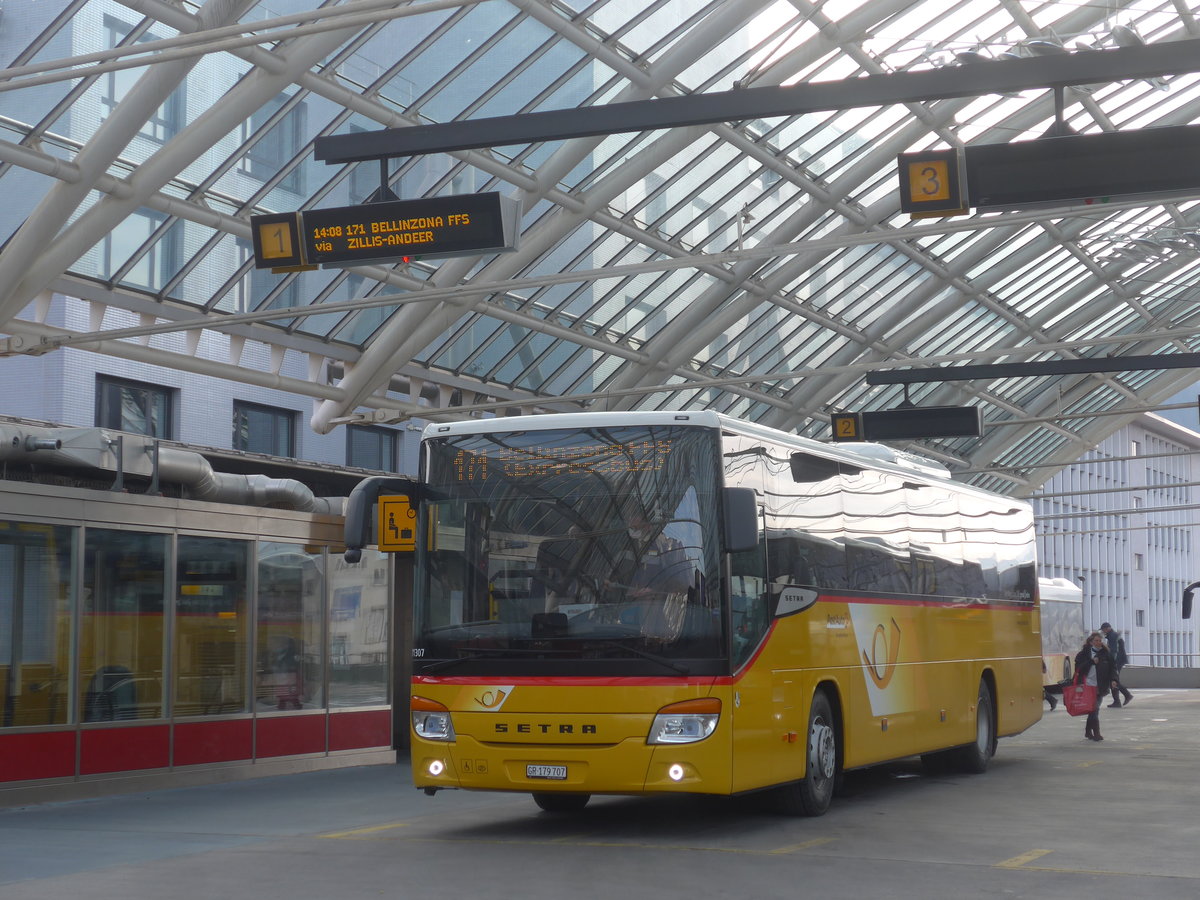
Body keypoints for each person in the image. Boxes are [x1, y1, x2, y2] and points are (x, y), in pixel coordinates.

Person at [1074, 631, 1116, 741]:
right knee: (1094, 709)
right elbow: (1078, 669)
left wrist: (1113, 680)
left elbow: (1112, 668)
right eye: (1096, 641)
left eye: (1100, 641)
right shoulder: (1083, 654)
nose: (1098, 643)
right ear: (1091, 642)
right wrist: (1091, 662)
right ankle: (1096, 733)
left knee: (1094, 709)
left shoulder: (1106, 654)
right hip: (1087, 685)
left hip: (1100, 686)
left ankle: (1089, 731)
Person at [1100, 622, 1133, 707]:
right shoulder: (1113, 635)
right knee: (1113, 680)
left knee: (1113, 680)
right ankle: (1120, 699)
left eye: (1103, 629)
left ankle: (1124, 696)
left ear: (1107, 628)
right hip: (1118, 660)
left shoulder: (1113, 636)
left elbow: (1114, 651)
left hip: (1117, 661)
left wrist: (1112, 663)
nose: (1103, 631)